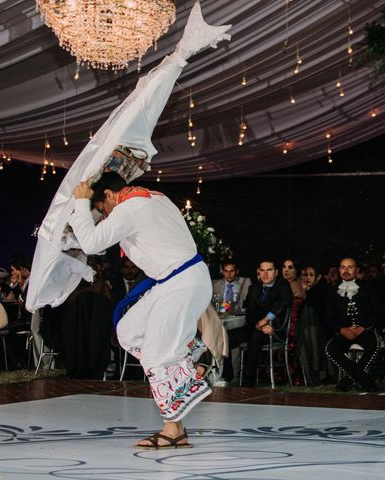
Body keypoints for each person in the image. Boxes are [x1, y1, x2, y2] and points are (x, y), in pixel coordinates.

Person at [69, 171, 212, 449]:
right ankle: (194, 353)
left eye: (101, 207)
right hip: (175, 281)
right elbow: (99, 235)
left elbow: (92, 243)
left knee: (157, 356)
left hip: (180, 283)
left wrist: (80, 203)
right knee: (129, 330)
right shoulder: (153, 197)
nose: (103, 213)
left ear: (109, 195)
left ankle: (173, 429)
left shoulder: (129, 208)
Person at [227, 259, 293, 387]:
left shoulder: (282, 285)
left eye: (269, 270)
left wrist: (265, 320)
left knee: (254, 337)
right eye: (262, 270)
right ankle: (228, 376)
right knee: (226, 336)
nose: (265, 274)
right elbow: (250, 313)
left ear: (276, 272)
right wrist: (259, 324)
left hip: (275, 330)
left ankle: (249, 380)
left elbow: (283, 302)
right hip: (255, 327)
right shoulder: (254, 287)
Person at [324, 257, 381, 392]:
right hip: (344, 332)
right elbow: (327, 318)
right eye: (343, 267)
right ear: (339, 270)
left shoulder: (369, 287)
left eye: (350, 267)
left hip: (365, 330)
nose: (346, 270)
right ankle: (368, 384)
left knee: (374, 348)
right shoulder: (331, 291)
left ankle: (345, 382)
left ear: (356, 270)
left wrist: (362, 327)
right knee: (330, 349)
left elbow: (377, 312)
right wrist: (341, 329)